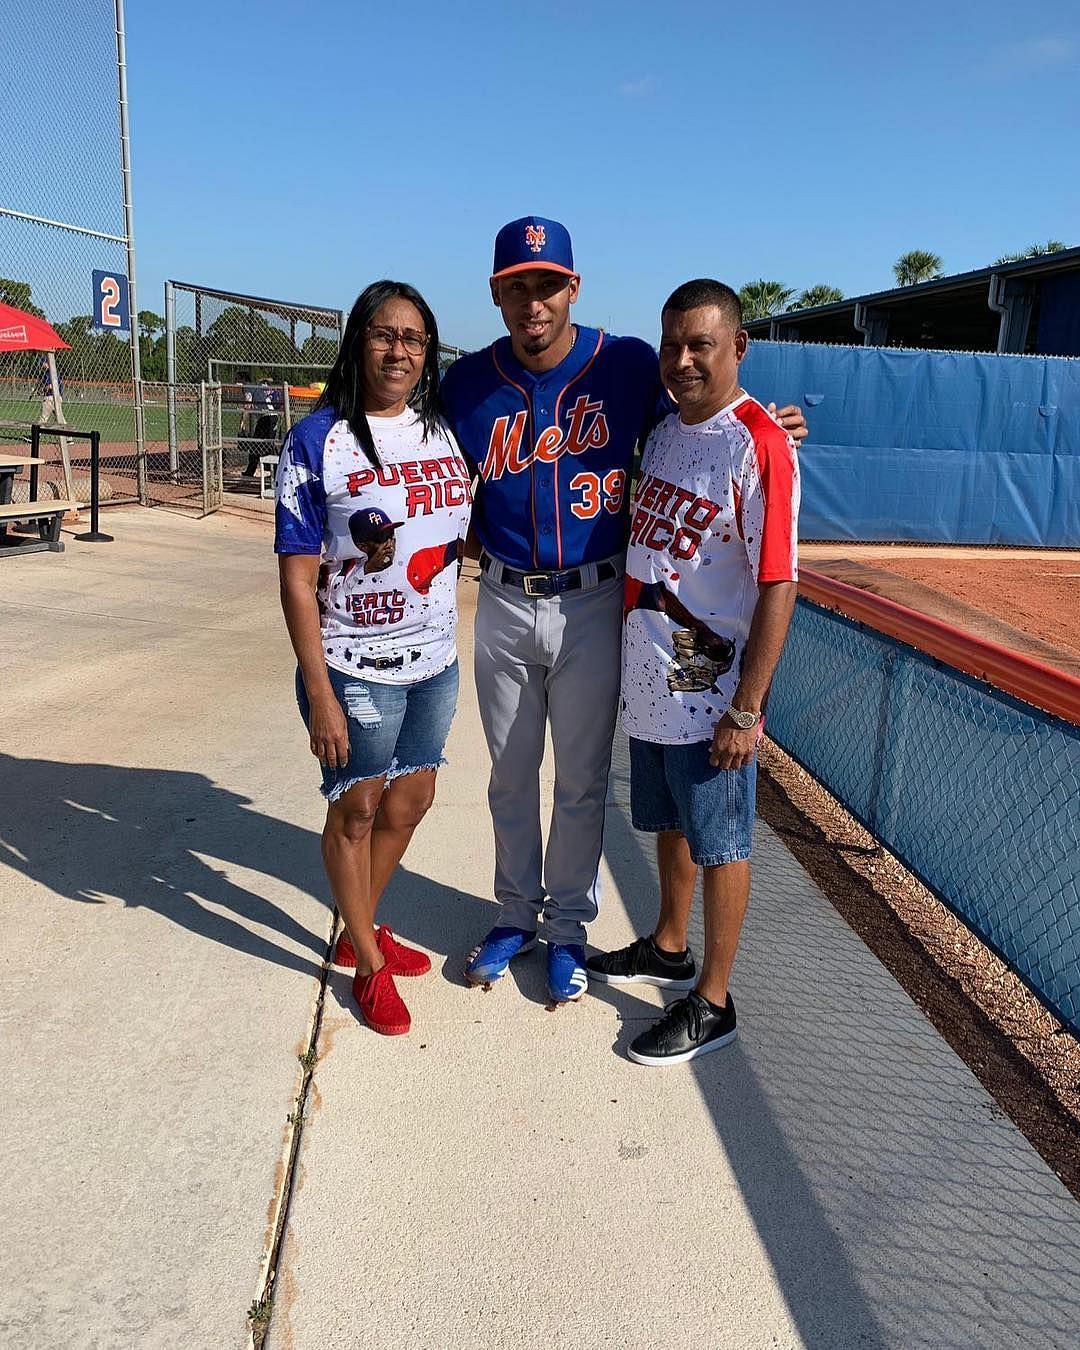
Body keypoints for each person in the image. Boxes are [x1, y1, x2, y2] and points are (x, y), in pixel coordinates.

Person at [439, 217, 807, 1007]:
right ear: (498, 294)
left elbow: (710, 414)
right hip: (503, 598)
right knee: (509, 776)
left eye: (547, 284)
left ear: (573, 287)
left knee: (578, 782)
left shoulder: (632, 363)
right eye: (517, 286)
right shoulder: (465, 384)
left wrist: (769, 425)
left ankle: (567, 928)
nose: (532, 301)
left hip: (596, 600)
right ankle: (514, 916)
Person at [588, 278, 800, 1066]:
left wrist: (746, 708)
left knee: (723, 840)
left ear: (738, 348)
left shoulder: (760, 443)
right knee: (673, 823)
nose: (681, 360)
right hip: (652, 671)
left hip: (708, 682)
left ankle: (713, 1001)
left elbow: (779, 581)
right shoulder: (672, 429)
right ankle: (670, 947)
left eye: (700, 345)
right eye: (672, 344)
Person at [275, 280, 472, 1036]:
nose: (400, 350)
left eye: (415, 339)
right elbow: (297, 576)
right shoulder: (316, 439)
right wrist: (320, 692)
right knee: (356, 809)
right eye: (385, 335)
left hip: (434, 661)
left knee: (410, 802)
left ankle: (365, 927)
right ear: (360, 340)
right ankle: (368, 958)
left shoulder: (446, 431)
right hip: (352, 662)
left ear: (429, 352)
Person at [39, 358, 62, 424]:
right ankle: (64, 433)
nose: (42, 366)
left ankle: (38, 433)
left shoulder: (50, 373)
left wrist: (45, 388)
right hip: (56, 397)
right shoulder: (48, 373)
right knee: (59, 419)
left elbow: (52, 386)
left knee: (43, 418)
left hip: (50, 397)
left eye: (43, 364)